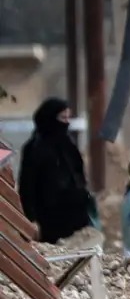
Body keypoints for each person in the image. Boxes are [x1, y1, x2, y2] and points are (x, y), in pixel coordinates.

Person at [18, 98, 94, 243]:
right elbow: (27, 186)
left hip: (76, 219)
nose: (66, 122)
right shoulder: (35, 148)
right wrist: (31, 218)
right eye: (62, 117)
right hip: (48, 220)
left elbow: (78, 175)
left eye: (68, 118)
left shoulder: (68, 146)